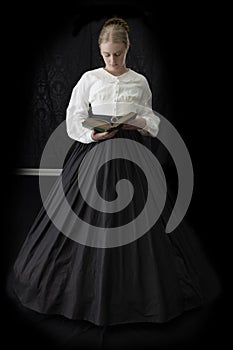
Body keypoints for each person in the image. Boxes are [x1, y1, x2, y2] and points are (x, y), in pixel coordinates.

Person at [11, 17, 221, 327]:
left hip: (133, 156)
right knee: (81, 219)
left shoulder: (140, 81)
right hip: (94, 152)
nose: (113, 60)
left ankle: (141, 297)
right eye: (108, 54)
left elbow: (152, 121)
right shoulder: (89, 79)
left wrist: (141, 124)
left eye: (118, 54)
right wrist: (93, 135)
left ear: (127, 49)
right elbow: (74, 119)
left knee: (145, 222)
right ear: (100, 51)